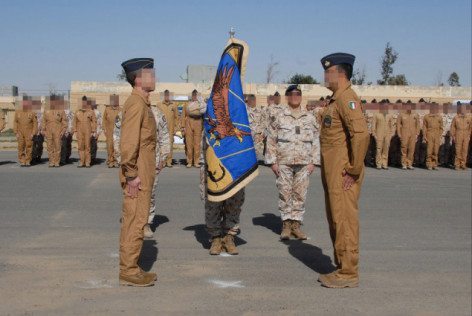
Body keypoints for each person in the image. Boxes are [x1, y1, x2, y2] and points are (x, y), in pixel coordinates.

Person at [317, 53, 369, 288]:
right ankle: (341, 266)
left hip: (343, 172)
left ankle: (348, 273)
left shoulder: (347, 99)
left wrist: (354, 169)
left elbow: (360, 135)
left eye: (328, 72)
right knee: (336, 218)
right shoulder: (335, 99)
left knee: (345, 219)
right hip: (333, 170)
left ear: (339, 73)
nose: (325, 76)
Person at [118, 57, 158, 287]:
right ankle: (128, 270)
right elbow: (129, 142)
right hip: (137, 171)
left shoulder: (143, 103)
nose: (155, 77)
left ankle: (132, 266)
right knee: (135, 219)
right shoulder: (135, 104)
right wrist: (131, 174)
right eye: (150, 73)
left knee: (138, 217)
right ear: (138, 78)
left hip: (144, 168)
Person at [265, 84, 317, 240]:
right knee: (285, 193)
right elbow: (271, 139)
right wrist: (272, 162)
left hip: (303, 162)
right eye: (292, 94)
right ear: (287, 96)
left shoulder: (310, 117)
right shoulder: (279, 116)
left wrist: (313, 161)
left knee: (300, 194)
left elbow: (316, 140)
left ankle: (296, 225)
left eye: (298, 94)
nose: (295, 96)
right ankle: (286, 225)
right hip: (284, 161)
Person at [144, 101, 171, 238]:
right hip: (133, 160)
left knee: (150, 192)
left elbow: (164, 135)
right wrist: (121, 158)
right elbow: (118, 135)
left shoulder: (157, 113)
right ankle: (134, 223)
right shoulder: (128, 110)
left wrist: (163, 158)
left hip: (152, 160)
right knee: (132, 193)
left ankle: (146, 223)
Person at [42, 95, 67, 167]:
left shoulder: (61, 111)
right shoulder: (46, 111)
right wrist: (43, 130)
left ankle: (56, 162)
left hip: (58, 131)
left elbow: (64, 122)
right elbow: (43, 121)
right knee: (49, 147)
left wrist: (63, 131)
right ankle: (51, 162)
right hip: (48, 131)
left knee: (57, 147)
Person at [182, 89, 205, 168]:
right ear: (191, 96)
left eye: (196, 95)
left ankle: (196, 162)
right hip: (189, 122)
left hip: (198, 122)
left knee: (197, 144)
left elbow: (204, 115)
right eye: (193, 95)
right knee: (189, 143)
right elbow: (183, 116)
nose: (195, 96)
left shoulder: (201, 104)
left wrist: (203, 126)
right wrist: (182, 127)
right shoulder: (187, 104)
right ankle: (189, 161)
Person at [13, 96, 38, 167]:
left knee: (29, 146)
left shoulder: (32, 112)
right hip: (20, 132)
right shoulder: (18, 112)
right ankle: (22, 161)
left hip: (29, 132)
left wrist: (33, 133)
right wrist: (15, 132)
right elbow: (15, 122)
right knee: (21, 147)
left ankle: (28, 161)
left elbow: (35, 123)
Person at [73, 96, 96, 168]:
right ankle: (81, 161)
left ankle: (87, 162)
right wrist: (75, 131)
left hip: (88, 130)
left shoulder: (91, 111)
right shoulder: (77, 111)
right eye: (82, 102)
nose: (84, 103)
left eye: (85, 102)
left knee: (87, 146)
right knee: (80, 146)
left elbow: (94, 121)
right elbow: (74, 122)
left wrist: (93, 131)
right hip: (79, 130)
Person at [157, 90, 177, 167]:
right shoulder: (159, 105)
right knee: (161, 145)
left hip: (171, 128)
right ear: (163, 96)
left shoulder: (174, 105)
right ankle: (163, 161)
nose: (167, 97)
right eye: (165, 95)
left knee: (170, 145)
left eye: (168, 95)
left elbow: (176, 118)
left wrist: (176, 128)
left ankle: (169, 161)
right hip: (161, 129)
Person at [397, 102, 420, 170]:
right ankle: (404, 163)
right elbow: (398, 125)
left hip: (413, 134)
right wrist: (399, 134)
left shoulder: (415, 115)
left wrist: (417, 134)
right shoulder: (401, 115)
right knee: (404, 148)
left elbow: (418, 125)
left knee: (411, 149)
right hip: (404, 134)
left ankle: (409, 163)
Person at [372, 103, 394, 169]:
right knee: (379, 149)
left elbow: (392, 125)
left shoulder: (390, 115)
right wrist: (374, 134)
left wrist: (391, 134)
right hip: (379, 134)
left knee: (386, 149)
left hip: (387, 134)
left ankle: (384, 164)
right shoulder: (376, 115)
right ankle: (378, 164)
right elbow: (373, 125)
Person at [450, 104, 472, 170]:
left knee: (465, 150)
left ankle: (463, 164)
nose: (463, 110)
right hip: (458, 133)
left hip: (466, 134)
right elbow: (452, 127)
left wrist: (469, 135)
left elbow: (470, 127)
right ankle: (457, 164)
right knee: (458, 150)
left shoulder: (469, 118)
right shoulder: (456, 117)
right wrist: (453, 135)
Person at [422, 103, 443, 170]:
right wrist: (424, 135)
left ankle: (434, 164)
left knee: (436, 150)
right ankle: (429, 164)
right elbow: (424, 127)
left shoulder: (439, 117)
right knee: (429, 150)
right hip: (429, 134)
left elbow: (441, 127)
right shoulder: (426, 117)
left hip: (437, 134)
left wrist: (440, 135)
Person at [103, 94, 121, 168]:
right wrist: (104, 129)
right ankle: (110, 161)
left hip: (118, 133)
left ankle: (117, 161)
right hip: (109, 131)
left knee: (117, 147)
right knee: (110, 147)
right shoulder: (107, 110)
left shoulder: (120, 110)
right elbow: (104, 120)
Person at [245, 94, 264, 160]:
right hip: (247, 135)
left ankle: (254, 162)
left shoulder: (260, 110)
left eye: (254, 100)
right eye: (251, 100)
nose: (252, 102)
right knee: (247, 151)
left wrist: (262, 132)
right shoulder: (244, 111)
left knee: (256, 152)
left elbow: (263, 121)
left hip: (257, 136)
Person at [90, 99, 102, 164]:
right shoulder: (87, 111)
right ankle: (87, 159)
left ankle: (93, 159)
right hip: (87, 131)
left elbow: (99, 123)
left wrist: (98, 133)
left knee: (93, 146)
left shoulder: (97, 112)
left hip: (95, 132)